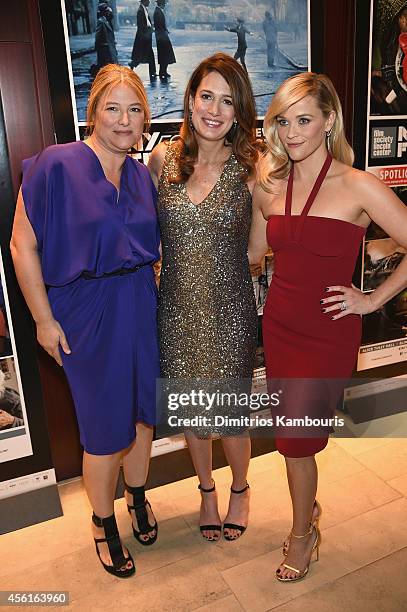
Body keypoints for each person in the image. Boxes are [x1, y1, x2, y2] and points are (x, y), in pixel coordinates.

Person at [249, 72, 407, 582]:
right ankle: (307, 518)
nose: (292, 132)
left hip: (329, 331)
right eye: (283, 121)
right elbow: (254, 255)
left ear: (328, 121)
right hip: (280, 328)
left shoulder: (359, 185)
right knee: (292, 438)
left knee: (297, 439)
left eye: (304, 120)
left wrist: (373, 298)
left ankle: (302, 534)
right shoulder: (269, 185)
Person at [10, 65, 160, 578]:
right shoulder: (57, 165)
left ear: (145, 118)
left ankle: (137, 497)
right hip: (84, 312)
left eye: (135, 109)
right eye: (112, 108)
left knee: (142, 416)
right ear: (92, 111)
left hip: (140, 303)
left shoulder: (142, 175)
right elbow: (21, 245)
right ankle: (102, 522)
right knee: (103, 429)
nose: (124, 120)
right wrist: (43, 320)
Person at [148, 53, 259, 542]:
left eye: (227, 100)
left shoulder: (254, 170)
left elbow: (258, 249)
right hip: (174, 310)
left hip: (231, 310)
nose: (214, 109)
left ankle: (240, 489)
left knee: (231, 417)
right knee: (193, 416)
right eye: (206, 96)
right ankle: (207, 490)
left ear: (239, 112)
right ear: (190, 100)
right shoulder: (160, 161)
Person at [130, 0, 157, 81]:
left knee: (149, 55)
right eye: (148, 1)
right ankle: (132, 64)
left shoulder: (144, 9)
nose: (149, 2)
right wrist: (147, 32)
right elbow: (141, 25)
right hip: (143, 37)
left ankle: (152, 72)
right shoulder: (140, 11)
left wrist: (151, 28)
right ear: (144, 1)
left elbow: (147, 22)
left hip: (146, 36)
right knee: (140, 54)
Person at [154, 0, 176, 80]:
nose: (164, 5)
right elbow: (159, 25)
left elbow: (161, 25)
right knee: (164, 54)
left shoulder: (158, 11)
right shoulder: (157, 12)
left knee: (165, 54)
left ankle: (163, 71)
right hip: (161, 37)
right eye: (163, 3)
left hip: (162, 35)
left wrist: (165, 30)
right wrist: (164, 31)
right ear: (160, 3)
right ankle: (162, 71)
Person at [94, 3, 118, 70]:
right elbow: (98, 35)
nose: (109, 12)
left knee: (111, 64)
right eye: (107, 11)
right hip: (104, 48)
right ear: (104, 12)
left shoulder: (107, 20)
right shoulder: (101, 21)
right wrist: (97, 46)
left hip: (109, 46)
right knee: (106, 65)